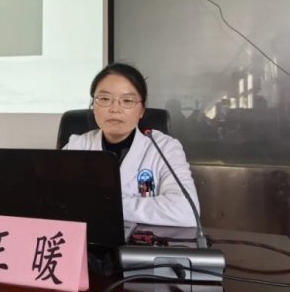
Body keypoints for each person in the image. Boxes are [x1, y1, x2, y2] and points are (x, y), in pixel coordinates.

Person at [63, 63, 200, 226]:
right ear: (93, 106)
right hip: (87, 239)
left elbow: (186, 211)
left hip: (143, 240)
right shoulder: (77, 145)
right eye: (105, 99)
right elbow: (55, 201)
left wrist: (103, 204)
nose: (115, 109)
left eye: (127, 100)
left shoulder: (164, 148)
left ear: (142, 110)